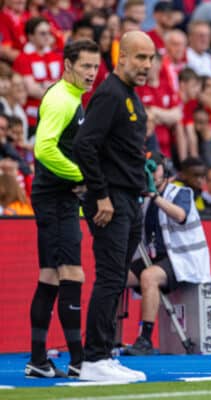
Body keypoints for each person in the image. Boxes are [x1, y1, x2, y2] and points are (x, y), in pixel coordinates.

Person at [73, 31, 155, 383]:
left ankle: (105, 353)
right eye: (139, 58)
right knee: (109, 277)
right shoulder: (109, 94)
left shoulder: (129, 96)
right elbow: (84, 145)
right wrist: (101, 194)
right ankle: (93, 359)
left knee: (117, 277)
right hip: (112, 200)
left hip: (129, 198)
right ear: (121, 58)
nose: (146, 66)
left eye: (150, 59)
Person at [25, 39, 100, 379]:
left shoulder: (71, 98)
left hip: (59, 196)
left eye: (95, 67)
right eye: (85, 66)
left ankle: (40, 360)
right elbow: (43, 149)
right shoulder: (59, 100)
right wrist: (82, 175)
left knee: (51, 276)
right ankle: (79, 360)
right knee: (72, 274)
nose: (91, 73)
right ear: (68, 65)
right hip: (54, 198)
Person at [124, 152, 211, 355]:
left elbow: (180, 215)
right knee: (115, 276)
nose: (150, 172)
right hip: (155, 257)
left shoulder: (181, 193)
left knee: (149, 276)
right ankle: (109, 337)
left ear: (166, 170)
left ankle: (145, 339)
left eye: (154, 168)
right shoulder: (143, 199)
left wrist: (155, 196)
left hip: (182, 259)